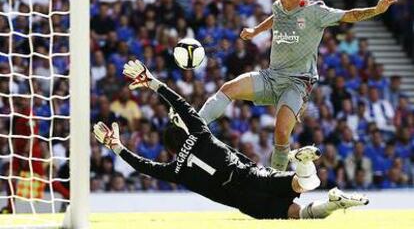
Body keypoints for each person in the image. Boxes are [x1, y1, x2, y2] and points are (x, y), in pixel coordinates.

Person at [93, 60, 368, 220]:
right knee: (306, 183)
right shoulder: (199, 134)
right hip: (250, 175)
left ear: (170, 148)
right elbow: (183, 105)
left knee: (298, 214)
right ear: (183, 132)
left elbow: (143, 166)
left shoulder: (176, 171)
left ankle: (334, 203)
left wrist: (116, 147)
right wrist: (153, 82)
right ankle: (303, 163)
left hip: (243, 201)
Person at [198, 0, 398, 171]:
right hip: (271, 76)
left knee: (282, 133)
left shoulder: (315, 11)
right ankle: (196, 125)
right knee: (228, 88)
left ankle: (275, 179)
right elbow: (276, 18)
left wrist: (376, 9)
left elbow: (350, 15)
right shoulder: (279, 7)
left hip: (297, 82)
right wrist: (256, 30)